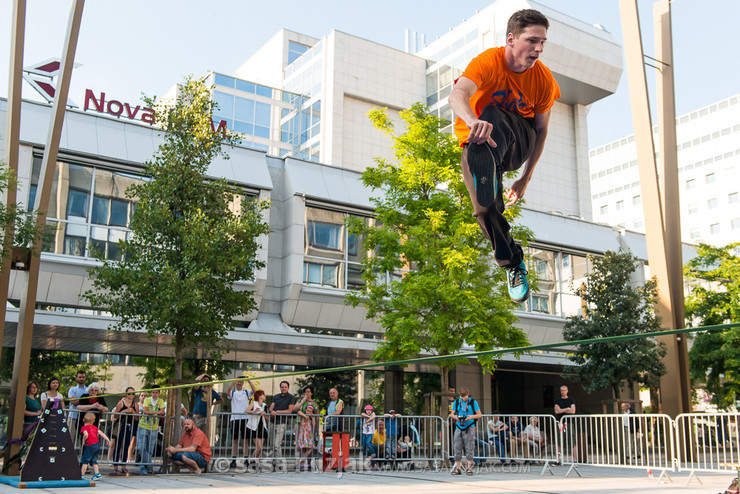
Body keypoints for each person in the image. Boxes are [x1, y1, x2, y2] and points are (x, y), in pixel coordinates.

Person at [448, 9, 561, 303]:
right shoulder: (488, 62)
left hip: (518, 142)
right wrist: (473, 122)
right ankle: (512, 261)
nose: (538, 49)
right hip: (478, 144)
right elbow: (456, 96)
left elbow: (542, 131)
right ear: (511, 39)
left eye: (543, 43)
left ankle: (488, 149)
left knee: (493, 115)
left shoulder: (544, 80)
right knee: (485, 209)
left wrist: (525, 178)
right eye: (532, 40)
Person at [449, 387, 482, 476]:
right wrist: (456, 417)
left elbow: (479, 414)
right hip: (459, 427)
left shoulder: (472, 402)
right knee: (457, 446)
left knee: (469, 446)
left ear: (468, 394)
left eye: (465, 397)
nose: (463, 399)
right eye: (462, 397)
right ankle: (458, 468)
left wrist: (471, 417)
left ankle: (468, 468)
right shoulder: (456, 402)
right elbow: (452, 414)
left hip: (470, 426)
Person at [226, 376, 255, 468]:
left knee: (245, 440)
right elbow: (227, 392)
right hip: (235, 418)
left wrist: (248, 380)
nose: (239, 383)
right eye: (238, 382)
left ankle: (246, 459)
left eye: (240, 382)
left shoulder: (246, 392)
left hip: (244, 418)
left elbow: (254, 391)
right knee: (235, 440)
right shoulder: (233, 392)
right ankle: (233, 460)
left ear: (242, 383)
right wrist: (233, 382)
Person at [137, 386, 165, 475]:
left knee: (150, 449)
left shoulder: (160, 401)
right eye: (153, 392)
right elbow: (145, 411)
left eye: (156, 392)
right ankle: (148, 466)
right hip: (143, 426)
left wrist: (153, 412)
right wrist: (157, 412)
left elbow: (162, 412)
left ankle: (145, 467)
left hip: (153, 428)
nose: (154, 394)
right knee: (141, 447)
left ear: (159, 393)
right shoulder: (147, 400)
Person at [111, 387, 137, 474]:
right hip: (121, 425)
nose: (131, 395)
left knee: (126, 446)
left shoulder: (135, 404)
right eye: (129, 393)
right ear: (126, 394)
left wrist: (133, 411)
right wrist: (124, 411)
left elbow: (137, 418)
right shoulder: (121, 403)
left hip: (129, 426)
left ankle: (124, 466)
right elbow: (115, 416)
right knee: (118, 445)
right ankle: (115, 466)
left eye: (133, 393)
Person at [80, 411, 111, 481]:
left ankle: (82, 475)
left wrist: (84, 441)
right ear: (93, 421)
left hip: (90, 445)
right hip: (97, 444)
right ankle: (97, 474)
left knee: (85, 460)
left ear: (83, 420)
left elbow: (86, 434)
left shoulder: (84, 427)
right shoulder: (94, 427)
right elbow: (101, 433)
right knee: (94, 460)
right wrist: (107, 439)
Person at [268, 380, 295, 458]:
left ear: (288, 388)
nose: (284, 389)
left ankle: (279, 463)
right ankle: (274, 462)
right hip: (272, 421)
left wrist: (277, 412)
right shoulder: (276, 396)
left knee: (277, 444)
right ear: (280, 388)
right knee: (272, 445)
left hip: (282, 422)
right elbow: (270, 408)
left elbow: (289, 411)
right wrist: (272, 411)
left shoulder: (291, 397)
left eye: (285, 387)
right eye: (282, 387)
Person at [294, 386, 318, 471]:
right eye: (305, 392)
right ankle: (297, 463)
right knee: (299, 444)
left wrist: (316, 428)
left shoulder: (314, 403)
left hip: (309, 427)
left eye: (308, 391)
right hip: (300, 424)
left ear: (311, 393)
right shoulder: (300, 400)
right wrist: (303, 400)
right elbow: (295, 409)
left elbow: (316, 416)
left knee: (309, 445)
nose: (307, 393)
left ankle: (307, 462)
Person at [554, 385, 576, 462]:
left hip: (569, 422)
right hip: (560, 422)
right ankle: (558, 459)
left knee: (572, 441)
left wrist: (561, 409)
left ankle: (575, 459)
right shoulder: (557, 400)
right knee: (559, 441)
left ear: (567, 390)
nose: (562, 392)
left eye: (564, 390)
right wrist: (567, 409)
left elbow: (573, 411)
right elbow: (557, 411)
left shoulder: (571, 400)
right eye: (561, 390)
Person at [245, 390, 269, 462]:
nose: (264, 396)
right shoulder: (254, 403)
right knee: (259, 447)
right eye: (263, 394)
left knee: (260, 448)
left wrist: (265, 414)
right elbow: (246, 411)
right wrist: (254, 412)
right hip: (254, 427)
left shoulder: (265, 405)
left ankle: (256, 462)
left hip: (262, 426)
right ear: (259, 396)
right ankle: (253, 459)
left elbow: (267, 418)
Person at [67, 370, 88, 438]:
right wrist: (83, 401)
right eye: (80, 377)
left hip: (84, 418)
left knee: (82, 438)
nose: (82, 379)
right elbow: (73, 402)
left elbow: (88, 402)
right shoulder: (72, 389)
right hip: (73, 416)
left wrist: (77, 400)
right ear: (76, 378)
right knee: (70, 437)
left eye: (83, 377)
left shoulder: (88, 390)